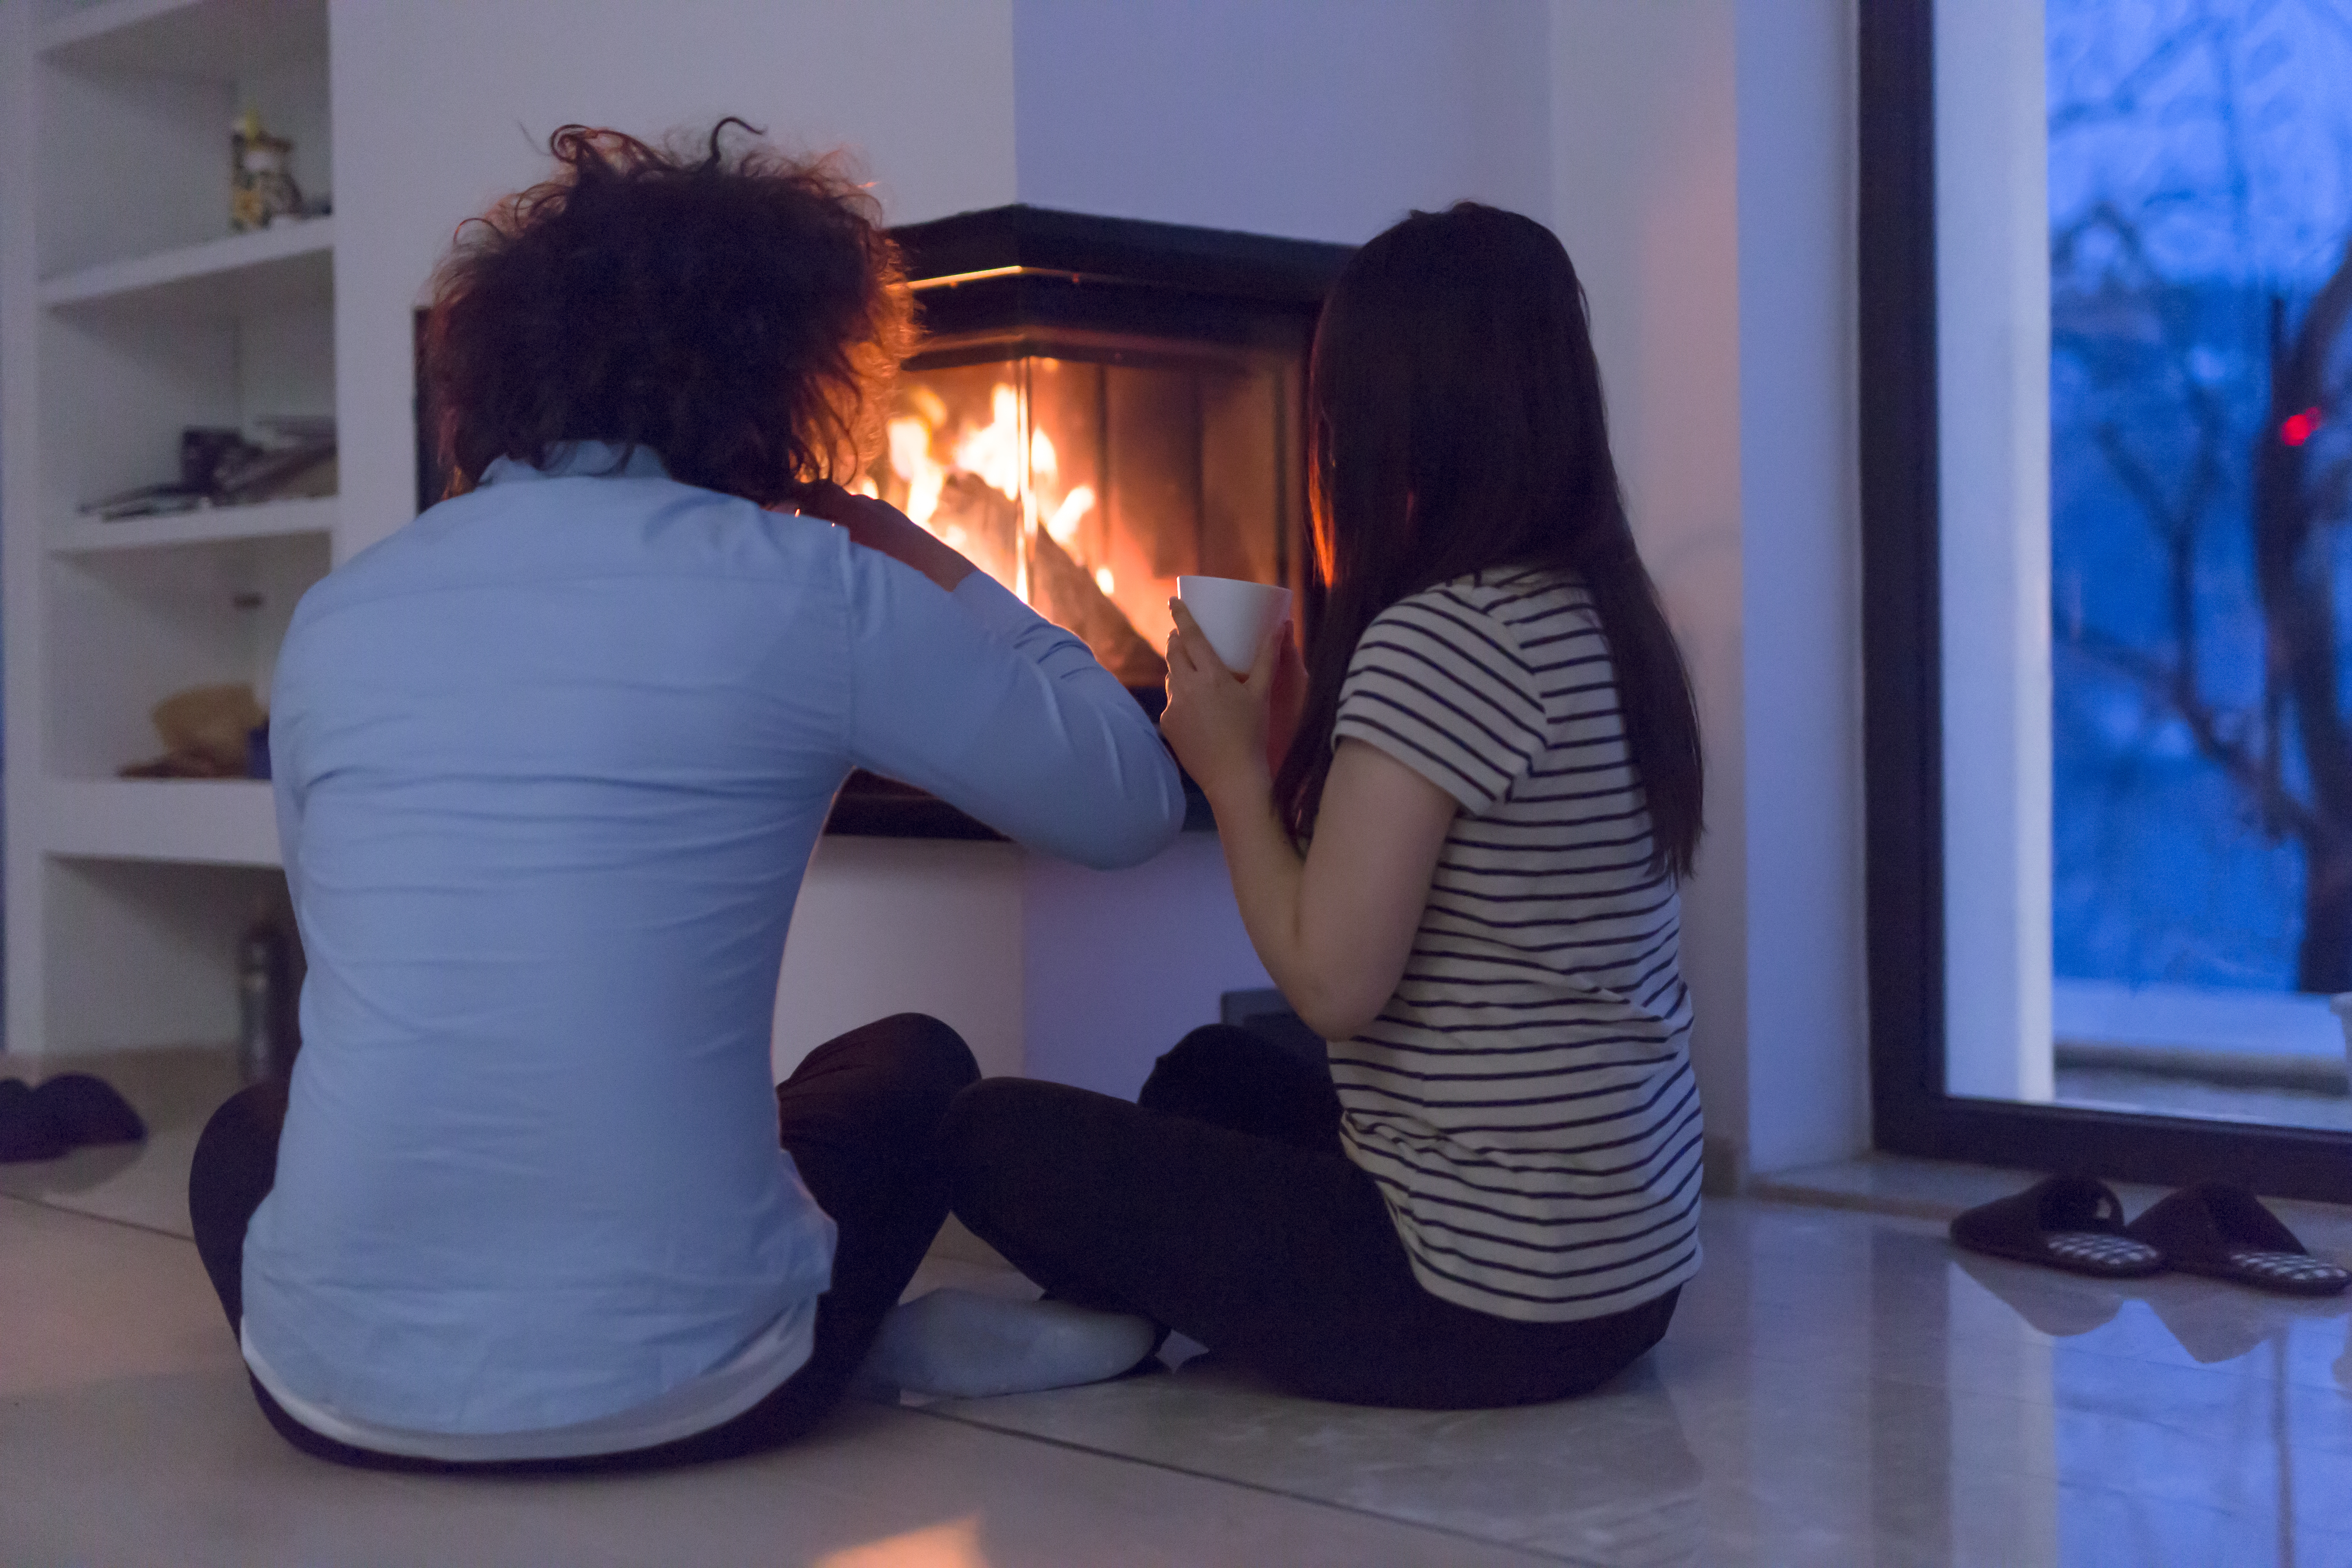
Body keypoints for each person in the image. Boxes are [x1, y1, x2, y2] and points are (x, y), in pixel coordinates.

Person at [185, 120, 1184, 1470]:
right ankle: (852, 1345)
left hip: (325, 1399)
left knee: (249, 1138)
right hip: (704, 1396)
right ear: (781, 378)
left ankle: (514, 1314)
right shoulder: (812, 588)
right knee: (910, 1069)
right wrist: (898, 541)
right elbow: (1128, 805)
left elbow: (369, 962)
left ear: (494, 376)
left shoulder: (336, 616)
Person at [931, 203, 1708, 1409]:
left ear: (1393, 422)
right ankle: (1135, 1308)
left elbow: (1338, 987)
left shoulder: (1441, 637)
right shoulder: (1601, 618)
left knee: (982, 1133)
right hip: (1622, 1278)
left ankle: (1114, 1322)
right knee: (1211, 1074)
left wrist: (1236, 771)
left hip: (1469, 1299)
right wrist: (1306, 754)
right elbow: (1402, 917)